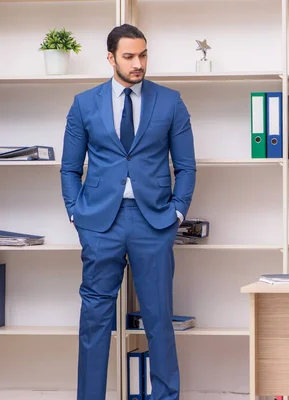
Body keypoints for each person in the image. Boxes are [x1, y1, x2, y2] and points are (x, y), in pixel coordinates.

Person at [60, 23, 196, 400]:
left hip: (153, 222)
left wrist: (178, 214)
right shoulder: (84, 104)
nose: (138, 63)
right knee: (95, 322)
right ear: (110, 58)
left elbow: (186, 166)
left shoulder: (170, 102)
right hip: (99, 223)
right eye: (129, 56)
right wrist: (76, 214)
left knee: (158, 320)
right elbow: (70, 169)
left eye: (143, 55)